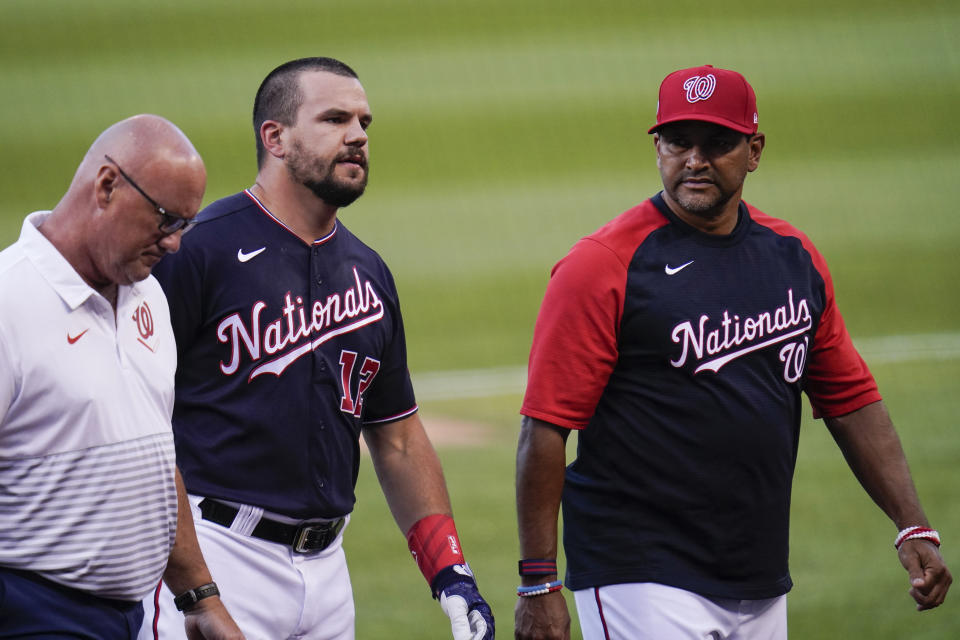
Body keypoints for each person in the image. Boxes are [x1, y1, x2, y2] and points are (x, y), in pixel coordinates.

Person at [514, 65, 952, 639]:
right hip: (639, 572)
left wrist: (912, 526)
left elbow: (850, 399)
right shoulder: (602, 266)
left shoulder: (793, 258)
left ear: (754, 151)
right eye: (678, 141)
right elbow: (544, 428)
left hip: (759, 573)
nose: (695, 159)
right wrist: (539, 581)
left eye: (718, 143)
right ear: (657, 148)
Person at [138, 57, 494, 640]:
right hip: (218, 554)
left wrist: (450, 570)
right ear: (274, 138)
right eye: (333, 119)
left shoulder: (369, 273)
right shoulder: (199, 251)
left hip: (328, 574)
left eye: (364, 122)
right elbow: (137, 415)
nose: (357, 135)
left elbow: (398, 436)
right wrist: (193, 581)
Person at [0, 115, 244, 639]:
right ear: (107, 185)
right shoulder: (8, 302)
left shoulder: (147, 295)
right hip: (31, 613)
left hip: (123, 618)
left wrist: (199, 596)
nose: (175, 244)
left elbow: (153, 457)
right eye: (166, 220)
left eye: (185, 226)